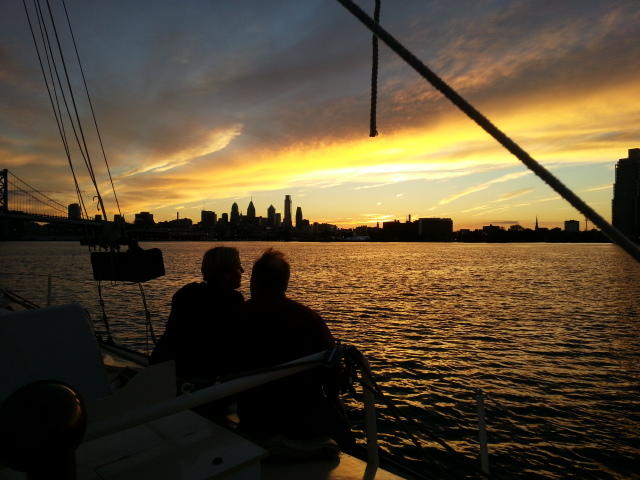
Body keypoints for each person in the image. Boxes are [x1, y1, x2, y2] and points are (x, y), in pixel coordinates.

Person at [236, 248, 354, 450]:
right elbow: (332, 373)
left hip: (253, 415)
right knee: (344, 432)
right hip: (301, 416)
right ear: (285, 282)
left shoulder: (236, 317)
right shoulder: (308, 318)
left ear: (254, 281)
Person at [150, 246, 244, 387]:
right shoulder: (232, 300)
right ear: (227, 273)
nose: (242, 271)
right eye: (238, 267)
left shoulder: (186, 293)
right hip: (198, 380)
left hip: (166, 371)